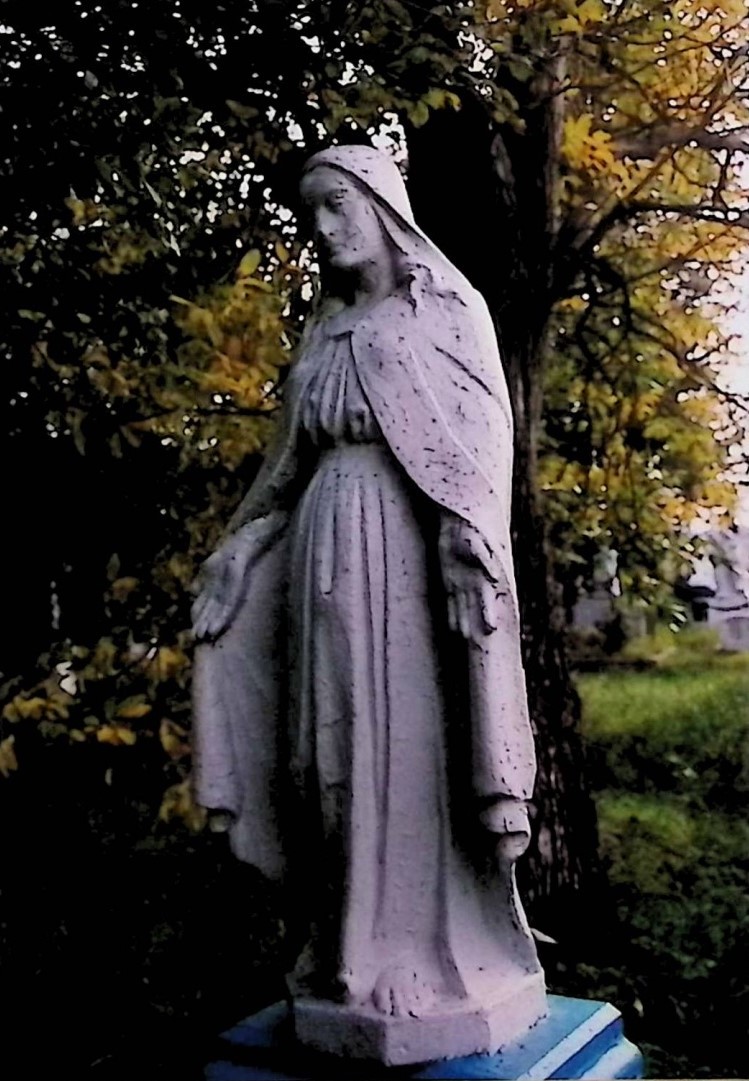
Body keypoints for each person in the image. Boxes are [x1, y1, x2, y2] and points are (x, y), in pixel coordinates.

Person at [191, 145, 543, 1025]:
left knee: (399, 749)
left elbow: (477, 454)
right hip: (316, 551)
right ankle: (343, 942)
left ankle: (423, 951)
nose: (321, 229)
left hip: (403, 562)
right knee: (322, 755)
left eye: (336, 206)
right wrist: (238, 548)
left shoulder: (448, 312)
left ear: (383, 208)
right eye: (311, 212)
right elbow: (282, 471)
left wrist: (469, 542)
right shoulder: (322, 333)